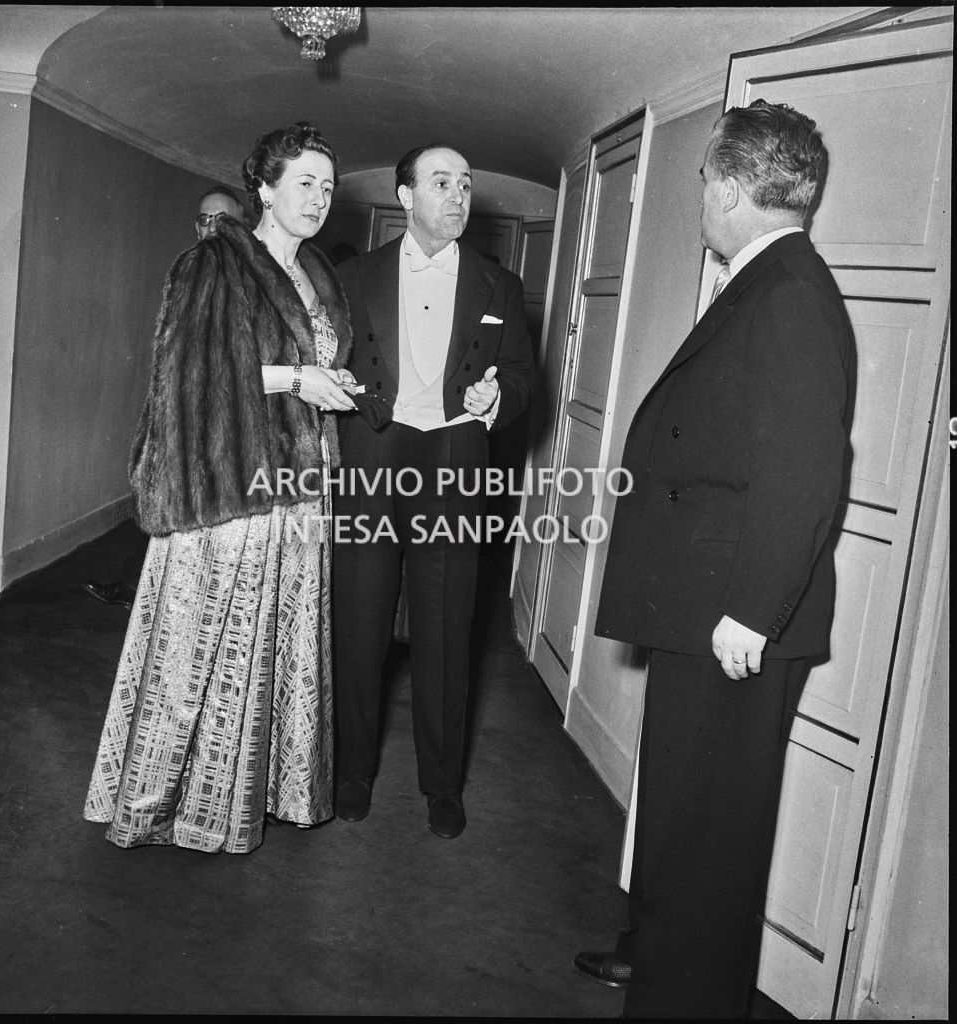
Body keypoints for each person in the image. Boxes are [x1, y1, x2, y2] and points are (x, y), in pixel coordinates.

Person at [575, 100, 855, 1017]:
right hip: (707, 609)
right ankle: (659, 957)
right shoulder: (766, 281)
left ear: (732, 188)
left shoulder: (791, 295)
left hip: (736, 621)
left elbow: (807, 474)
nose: (699, 191)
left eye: (702, 176)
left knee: (709, 838)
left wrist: (751, 611)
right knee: (681, 816)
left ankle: (682, 998)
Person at [83, 122, 358, 853]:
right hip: (229, 484)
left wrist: (331, 384)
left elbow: (304, 365)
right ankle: (155, 804)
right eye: (304, 182)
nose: (319, 198)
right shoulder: (216, 262)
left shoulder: (320, 274)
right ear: (263, 189)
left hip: (301, 487)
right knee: (201, 651)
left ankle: (257, 794)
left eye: (328, 187)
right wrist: (298, 378)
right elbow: (189, 374)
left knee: (272, 651)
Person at [332, 144, 536, 838]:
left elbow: (522, 377)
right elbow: (328, 361)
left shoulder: (497, 285)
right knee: (360, 620)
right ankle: (351, 772)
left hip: (453, 454)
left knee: (447, 627)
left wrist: (495, 396)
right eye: (441, 182)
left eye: (466, 184)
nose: (457, 195)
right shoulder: (354, 276)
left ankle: (441, 783)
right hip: (373, 450)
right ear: (405, 194)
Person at [82, 184, 248, 609]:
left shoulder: (248, 275)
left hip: (222, 415)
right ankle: (136, 587)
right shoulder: (191, 269)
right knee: (159, 496)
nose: (210, 227)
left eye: (220, 219)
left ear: (240, 224)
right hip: (181, 407)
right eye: (203, 219)